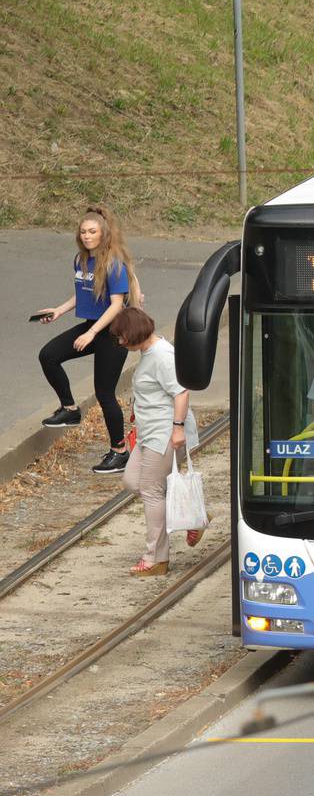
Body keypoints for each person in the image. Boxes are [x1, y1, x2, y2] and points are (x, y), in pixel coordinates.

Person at [33, 206, 140, 474]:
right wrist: (58, 310)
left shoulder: (113, 262)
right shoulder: (81, 260)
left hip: (114, 332)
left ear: (104, 234)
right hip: (93, 327)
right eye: (83, 232)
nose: (87, 236)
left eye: (92, 232)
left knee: (105, 393)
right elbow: (82, 293)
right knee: (49, 355)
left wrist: (91, 334)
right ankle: (70, 409)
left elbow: (116, 305)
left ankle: (120, 452)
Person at [109, 307, 201, 576]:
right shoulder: (149, 351)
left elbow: (182, 392)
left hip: (165, 433)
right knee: (132, 481)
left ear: (132, 334)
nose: (120, 342)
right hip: (150, 432)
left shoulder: (162, 356)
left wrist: (178, 429)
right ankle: (190, 515)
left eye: (121, 337)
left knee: (150, 491)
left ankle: (156, 558)